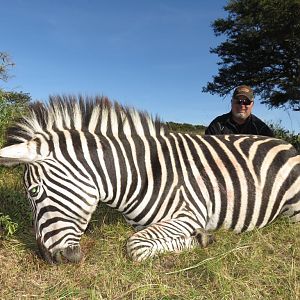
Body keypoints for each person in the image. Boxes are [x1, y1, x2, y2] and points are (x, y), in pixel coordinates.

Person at [205, 85, 274, 137]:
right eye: (238, 101)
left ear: (252, 104)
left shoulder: (261, 128)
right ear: (231, 102)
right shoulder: (217, 125)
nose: (242, 105)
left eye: (246, 102)